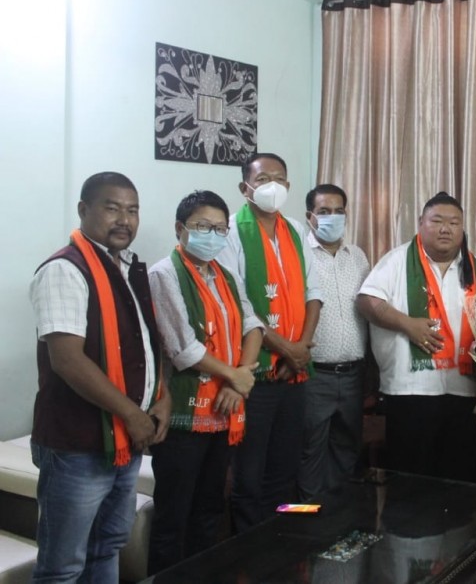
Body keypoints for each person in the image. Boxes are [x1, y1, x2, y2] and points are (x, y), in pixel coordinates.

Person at [28, 171, 171, 582]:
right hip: (78, 444)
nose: (124, 219)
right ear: (83, 209)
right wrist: (133, 414)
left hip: (123, 440)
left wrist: (162, 397)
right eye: (112, 208)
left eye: (133, 210)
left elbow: (144, 346)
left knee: (107, 546)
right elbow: (68, 361)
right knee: (63, 566)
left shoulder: (127, 269)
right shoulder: (65, 269)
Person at [145, 190, 264, 573]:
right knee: (174, 516)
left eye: (219, 228)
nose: (212, 235)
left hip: (224, 409)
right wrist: (235, 375)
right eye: (202, 226)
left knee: (210, 510)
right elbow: (182, 348)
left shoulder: (225, 275)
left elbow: (252, 325)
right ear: (180, 228)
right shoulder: (164, 274)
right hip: (183, 415)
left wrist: (238, 379)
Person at [217, 152, 323, 532]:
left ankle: (282, 543)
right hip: (255, 375)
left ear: (289, 186)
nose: (272, 186)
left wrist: (301, 349)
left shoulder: (295, 229)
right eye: (263, 180)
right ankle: (249, 550)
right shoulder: (230, 231)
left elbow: (314, 291)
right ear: (245, 187)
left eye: (279, 179)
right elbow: (238, 303)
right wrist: (287, 349)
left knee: (285, 469)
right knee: (249, 475)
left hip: (294, 374)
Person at [357, 192, 476, 481]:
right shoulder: (396, 261)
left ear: (463, 228)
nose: (446, 229)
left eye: (454, 223)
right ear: (421, 222)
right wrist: (406, 324)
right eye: (437, 221)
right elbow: (367, 301)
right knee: (410, 477)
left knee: (458, 477)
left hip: (464, 391)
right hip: (410, 390)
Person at [297, 184, 370, 499]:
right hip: (314, 375)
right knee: (308, 453)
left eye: (339, 211)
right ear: (309, 216)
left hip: (353, 374)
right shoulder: (299, 255)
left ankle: (339, 521)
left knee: (347, 452)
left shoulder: (358, 256)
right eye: (324, 211)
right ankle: (305, 521)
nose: (333, 217)